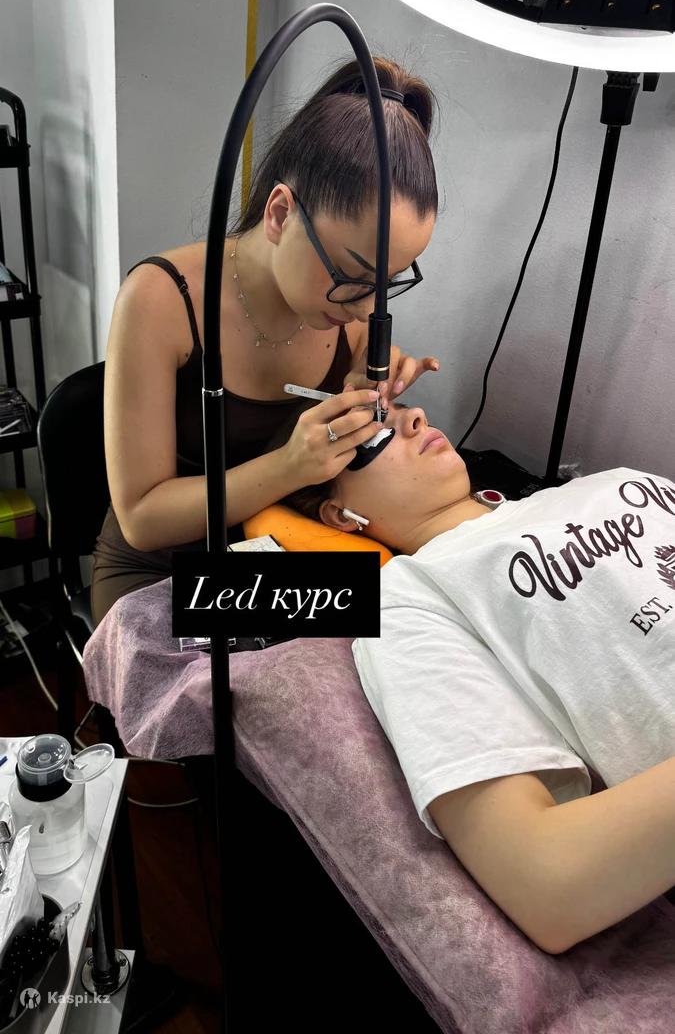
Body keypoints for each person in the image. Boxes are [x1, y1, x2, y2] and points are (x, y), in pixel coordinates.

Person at [266, 400, 675, 955]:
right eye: (371, 439)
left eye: (400, 410)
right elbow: (547, 882)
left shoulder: (617, 482)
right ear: (340, 516)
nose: (415, 418)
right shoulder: (410, 601)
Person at [91, 57, 442, 626]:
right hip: (162, 572)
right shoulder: (159, 300)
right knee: (367, 633)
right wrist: (291, 466)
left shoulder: (348, 310)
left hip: (279, 543)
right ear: (280, 213)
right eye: (355, 277)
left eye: (390, 281)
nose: (367, 308)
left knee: (411, 619)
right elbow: (141, 518)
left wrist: (362, 401)